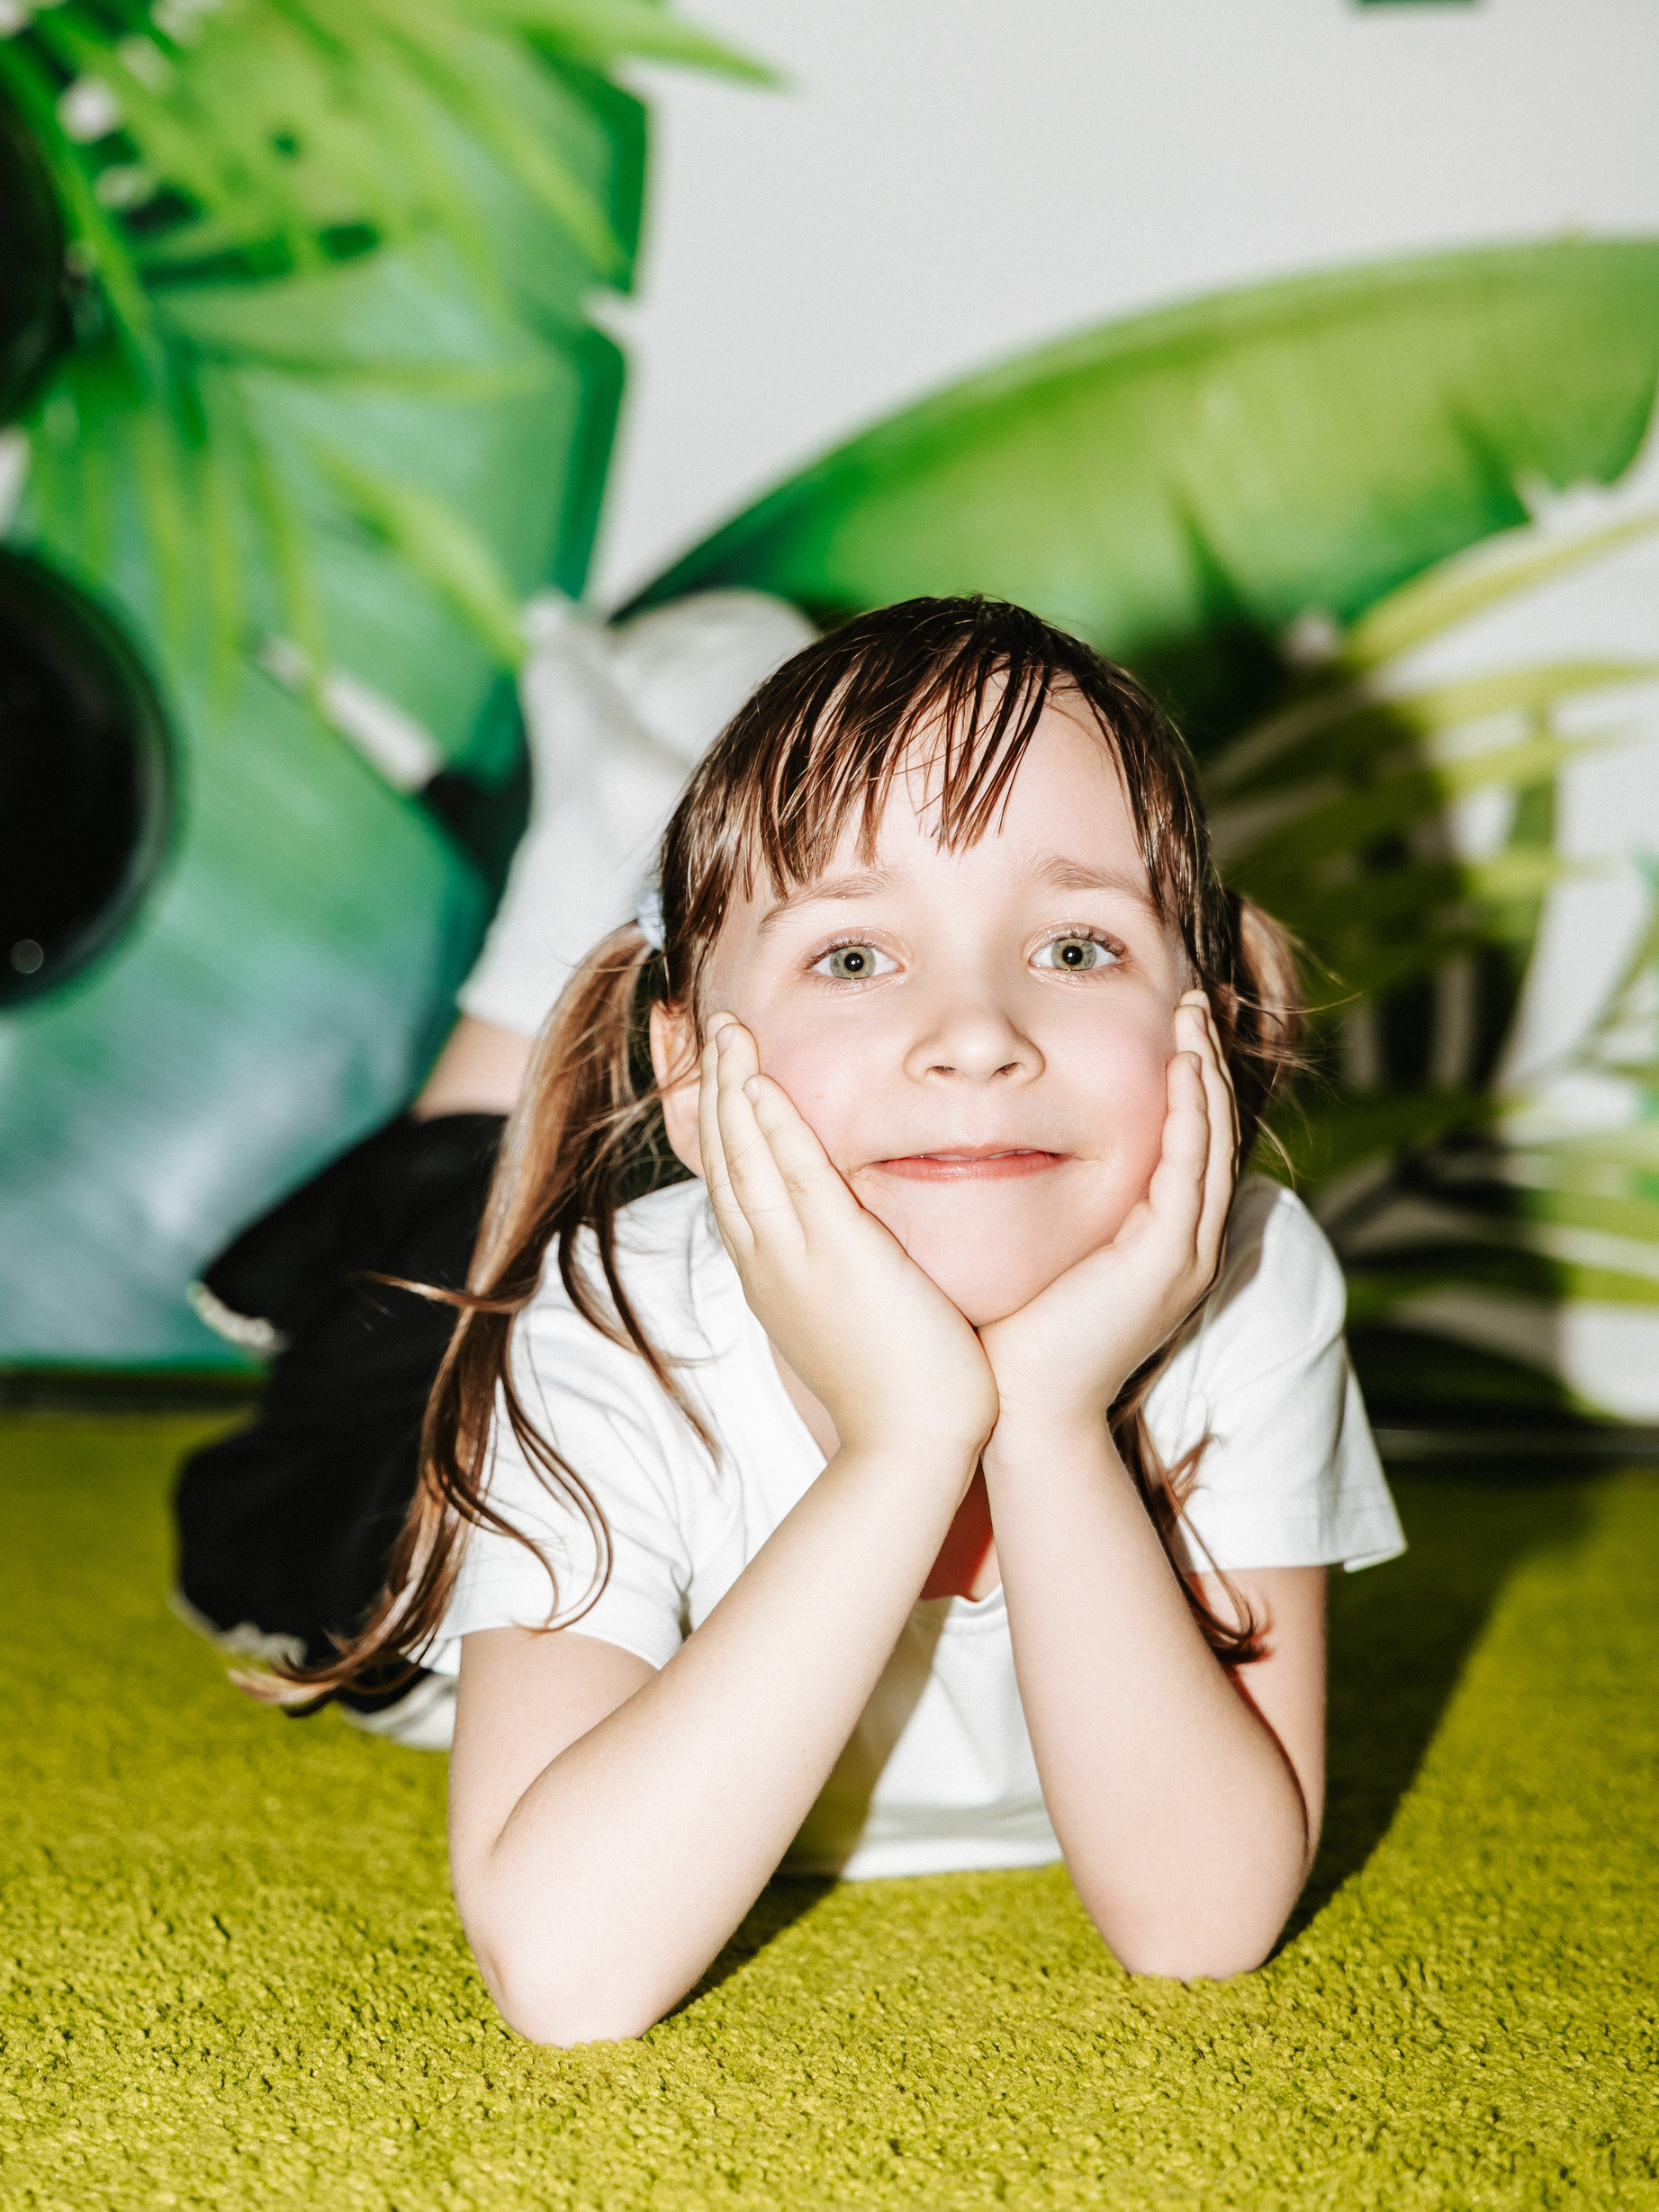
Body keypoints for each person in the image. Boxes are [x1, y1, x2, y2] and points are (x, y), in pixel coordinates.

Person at [233, 595, 1405, 2042]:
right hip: (381, 1508)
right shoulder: (608, 1314)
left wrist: (1045, 1425)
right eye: (855, 957)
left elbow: (1202, 1922)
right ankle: (575, 893)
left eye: (1075, 948)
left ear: (1204, 1021)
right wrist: (907, 1444)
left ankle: (657, 842)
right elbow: (566, 1974)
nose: (977, 1036)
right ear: (687, 1067)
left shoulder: (1256, 1283)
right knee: (411, 1296)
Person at [173, 586, 812, 1734]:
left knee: (477, 1157)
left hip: (417, 1522)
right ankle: (616, 756)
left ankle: (607, 754)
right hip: (452, 1492)